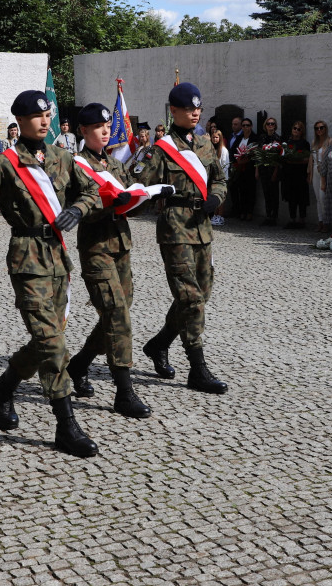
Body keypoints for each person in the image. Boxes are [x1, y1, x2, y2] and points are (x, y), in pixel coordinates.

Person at [0, 90, 100, 457]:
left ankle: (2, 389)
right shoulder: (4, 164)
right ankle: (65, 424)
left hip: (58, 257)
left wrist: (78, 208)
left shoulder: (61, 157)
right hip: (27, 259)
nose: (45, 121)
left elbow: (92, 191)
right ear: (20, 120)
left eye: (48, 115)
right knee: (53, 343)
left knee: (48, 338)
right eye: (38, 116)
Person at [133, 82, 228, 395]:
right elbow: (137, 185)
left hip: (203, 227)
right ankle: (197, 369)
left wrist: (215, 197)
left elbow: (219, 180)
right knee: (190, 298)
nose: (195, 112)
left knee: (202, 294)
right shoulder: (161, 149)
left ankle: (159, 344)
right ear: (174, 111)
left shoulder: (204, 142)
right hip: (175, 229)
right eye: (189, 108)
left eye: (198, 108)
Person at [65, 102, 156, 419]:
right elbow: (79, 202)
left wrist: (144, 197)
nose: (105, 131)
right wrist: (108, 203)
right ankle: (124, 392)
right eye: (98, 127)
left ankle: (78, 364)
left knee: (115, 315)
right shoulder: (75, 165)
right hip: (96, 248)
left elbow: (130, 195)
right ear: (84, 131)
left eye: (107, 126)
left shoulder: (115, 165)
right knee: (118, 316)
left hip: (121, 246)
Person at [228, 117, 259, 221]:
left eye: (248, 125)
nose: (246, 127)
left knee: (250, 191)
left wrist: (246, 160)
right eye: (244, 125)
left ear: (251, 126)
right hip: (239, 168)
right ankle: (242, 211)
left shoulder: (254, 138)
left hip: (249, 168)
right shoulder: (239, 138)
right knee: (241, 190)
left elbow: (255, 154)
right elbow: (232, 151)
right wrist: (237, 161)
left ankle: (249, 212)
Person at [281, 120, 310, 229]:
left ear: (302, 131)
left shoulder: (304, 143)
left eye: (299, 129)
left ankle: (302, 219)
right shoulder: (287, 143)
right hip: (289, 174)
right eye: (295, 128)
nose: (296, 131)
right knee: (291, 197)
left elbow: (308, 159)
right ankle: (292, 218)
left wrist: (294, 161)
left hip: (301, 174)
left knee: (301, 197)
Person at [257, 117, 282, 226]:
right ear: (265, 125)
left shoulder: (278, 139)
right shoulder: (262, 138)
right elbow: (258, 155)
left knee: (274, 193)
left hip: (273, 169)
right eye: (268, 124)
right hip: (263, 169)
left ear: (275, 126)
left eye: (272, 124)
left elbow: (279, 158)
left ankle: (274, 217)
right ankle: (268, 215)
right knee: (266, 193)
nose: (270, 125)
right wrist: (257, 170)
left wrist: (276, 171)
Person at [307, 120, 329, 231]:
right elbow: (311, 159)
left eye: (321, 127)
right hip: (315, 169)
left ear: (325, 128)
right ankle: (320, 221)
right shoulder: (314, 142)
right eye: (317, 128)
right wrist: (309, 173)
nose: (319, 130)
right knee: (317, 198)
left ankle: (326, 222)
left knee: (323, 197)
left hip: (324, 171)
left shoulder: (329, 141)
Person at [210, 126, 229, 226]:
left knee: (221, 198)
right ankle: (215, 215)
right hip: (213, 178)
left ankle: (220, 216)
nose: (215, 139)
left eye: (217, 137)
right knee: (214, 197)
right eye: (213, 137)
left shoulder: (224, 150)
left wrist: (220, 177)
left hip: (221, 178)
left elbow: (225, 165)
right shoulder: (212, 149)